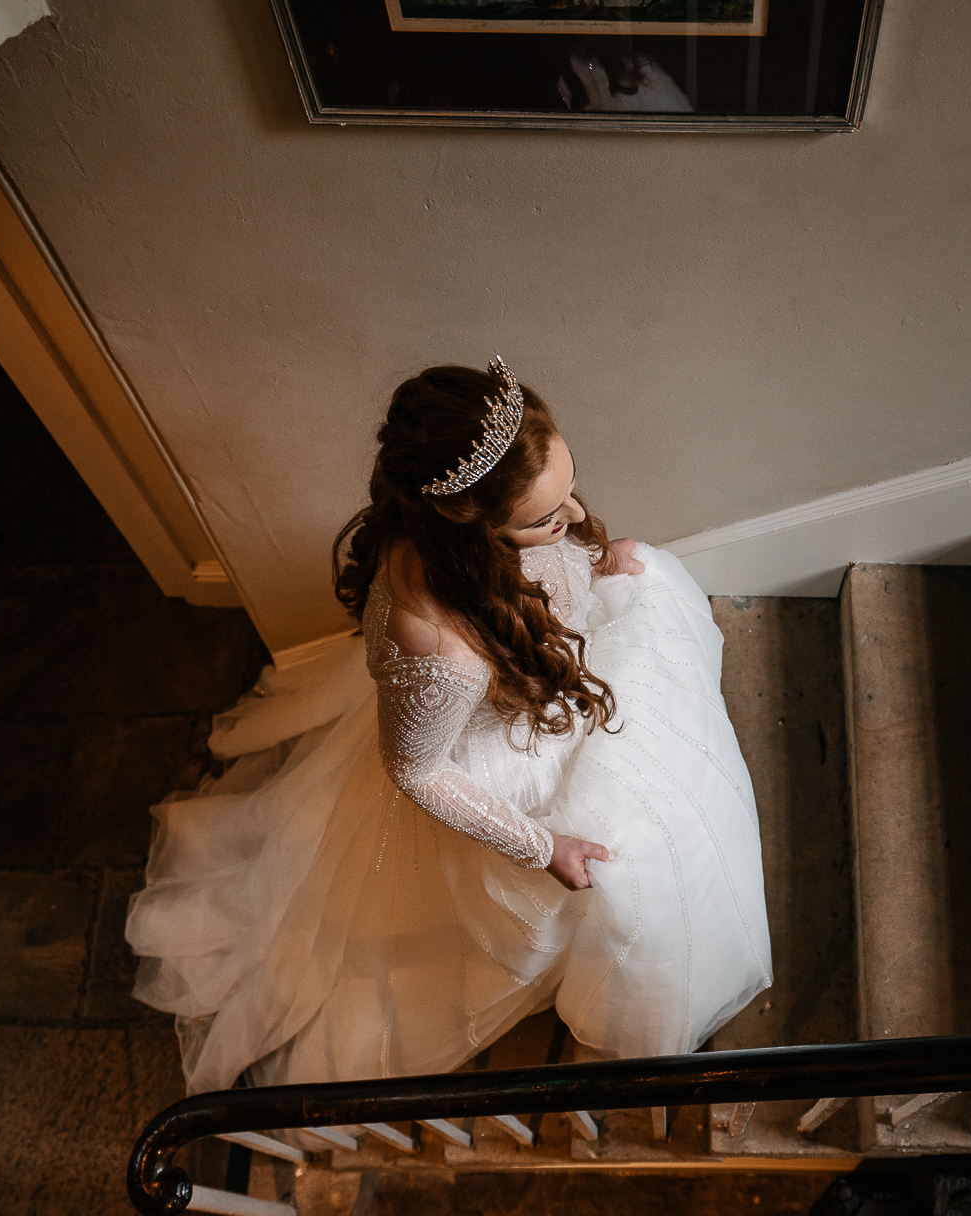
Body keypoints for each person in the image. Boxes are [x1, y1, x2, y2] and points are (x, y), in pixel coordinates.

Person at [127, 358, 772, 1093]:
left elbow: (558, 554)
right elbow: (415, 770)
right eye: (543, 519)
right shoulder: (436, 649)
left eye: (566, 493)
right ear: (473, 521)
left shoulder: (500, 534)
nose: (568, 521)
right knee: (634, 862)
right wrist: (539, 845)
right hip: (495, 756)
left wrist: (594, 561)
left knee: (650, 594)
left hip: (538, 676)